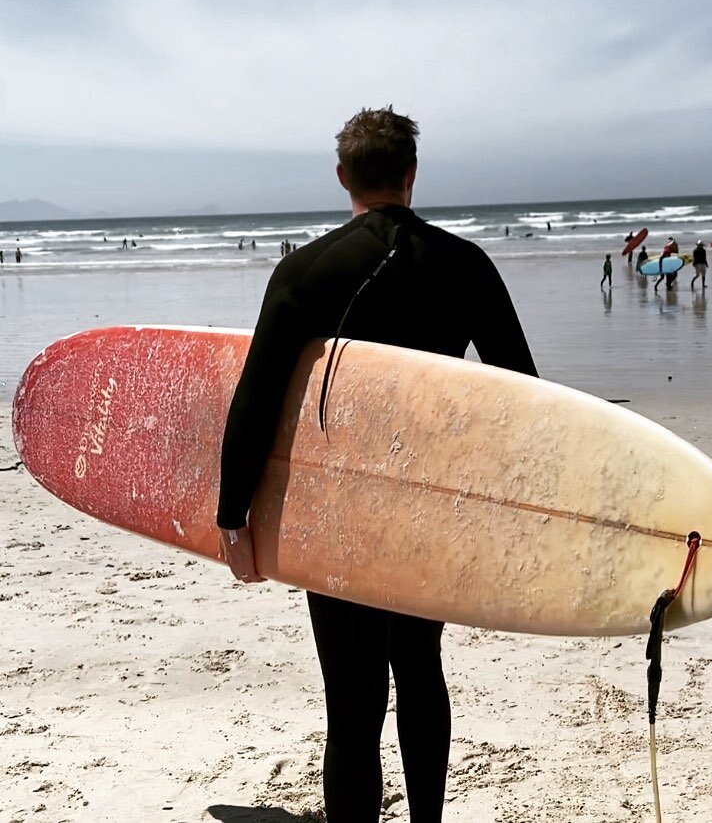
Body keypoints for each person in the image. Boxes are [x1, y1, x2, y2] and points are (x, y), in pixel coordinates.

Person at [216, 106, 537, 823]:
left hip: (339, 517)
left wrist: (233, 515)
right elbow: (522, 393)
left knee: (352, 702)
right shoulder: (466, 264)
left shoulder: (303, 272)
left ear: (343, 178)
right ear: (411, 176)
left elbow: (256, 400)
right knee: (421, 669)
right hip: (428, 507)